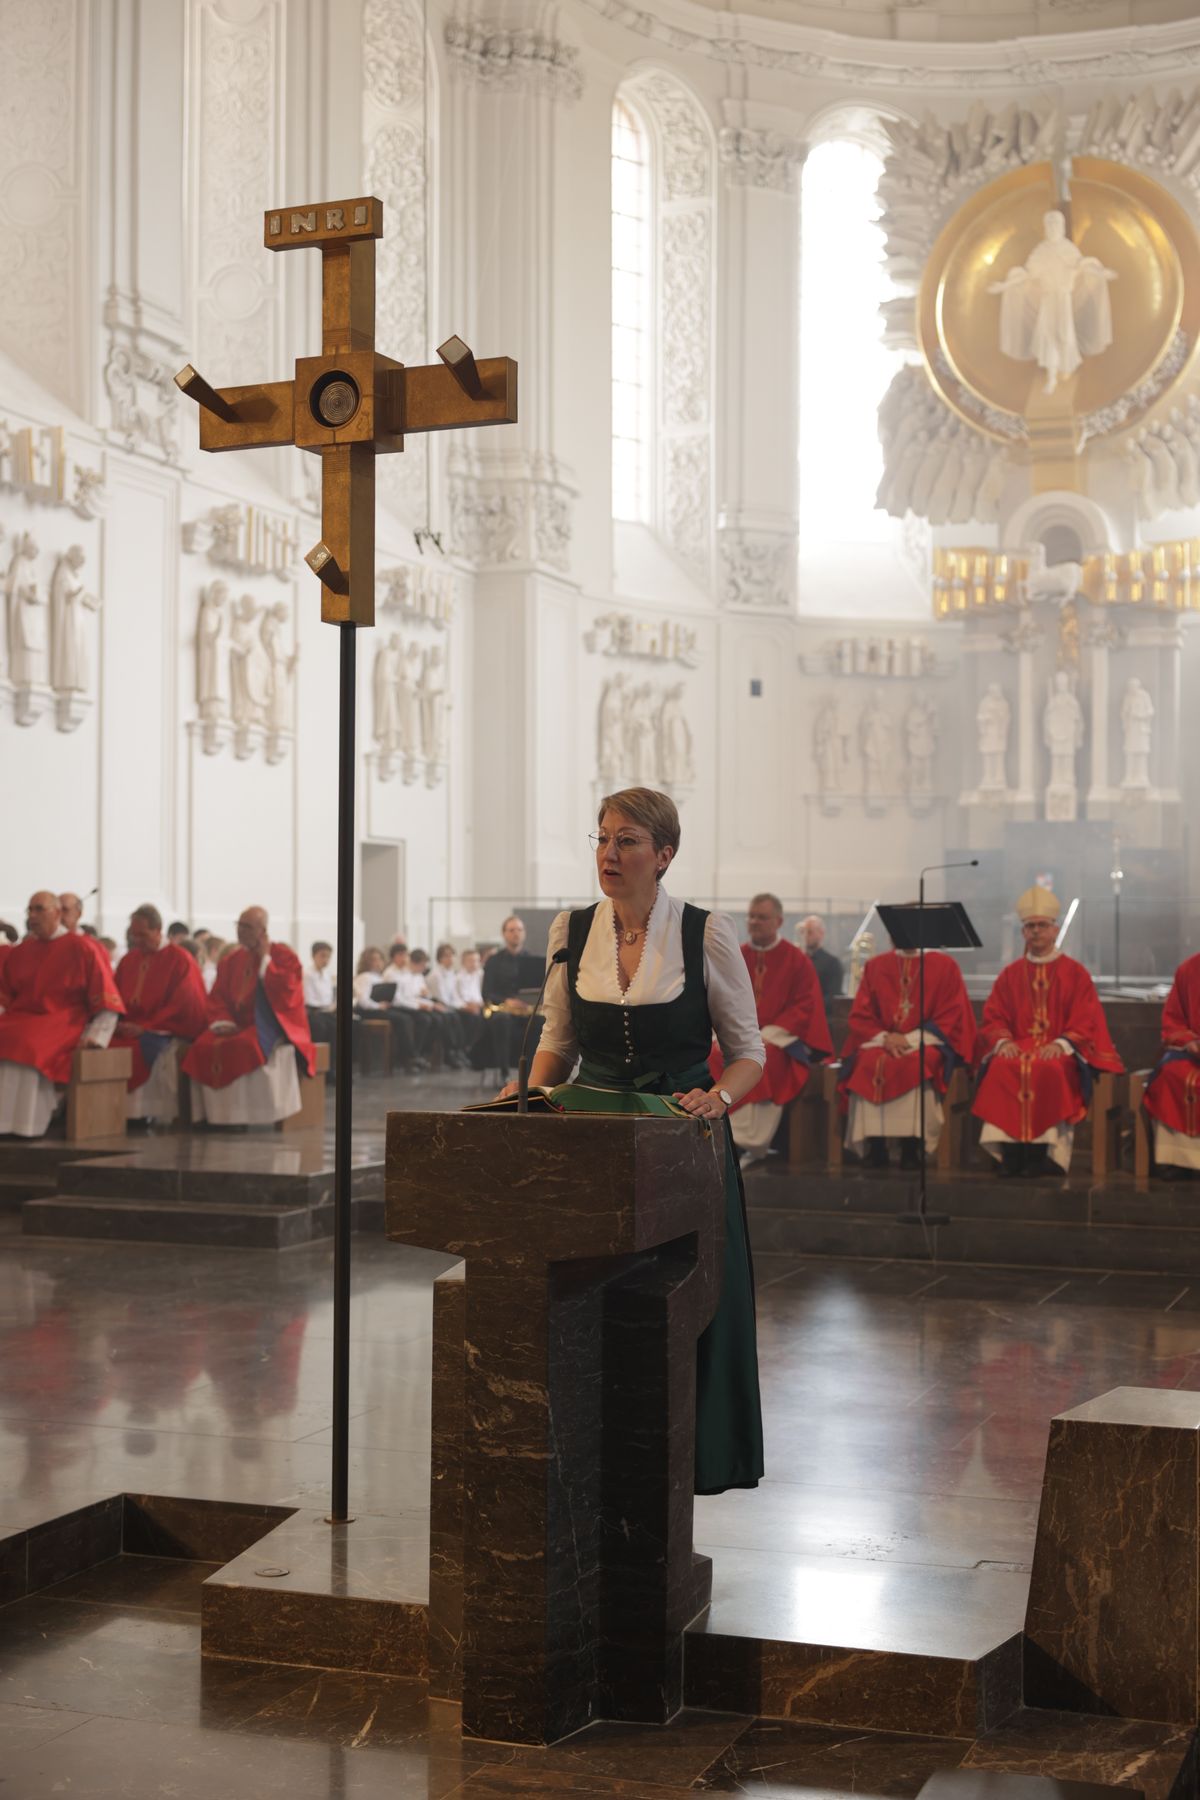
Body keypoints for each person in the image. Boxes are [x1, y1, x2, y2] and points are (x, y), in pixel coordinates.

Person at [515, 786, 765, 1495]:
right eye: (602, 838)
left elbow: (749, 1053)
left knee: (676, 1303)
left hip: (681, 1142)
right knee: (592, 1301)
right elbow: (559, 1040)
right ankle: (590, 1459)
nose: (609, 853)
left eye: (626, 840)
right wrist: (527, 1096)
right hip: (592, 1142)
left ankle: (683, 1461)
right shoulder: (571, 930)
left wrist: (717, 1098)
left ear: (664, 855)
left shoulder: (705, 933)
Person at [973, 886, 1123, 1177]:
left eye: (1042, 925)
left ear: (1055, 930)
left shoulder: (1075, 973)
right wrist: (1003, 1041)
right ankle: (1010, 1154)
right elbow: (994, 1015)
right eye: (1030, 926)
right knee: (1003, 1066)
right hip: (1018, 1045)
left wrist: (1063, 1043)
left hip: (1060, 1049)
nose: (1036, 932)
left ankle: (1042, 1155)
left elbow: (1086, 1018)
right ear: (1023, 933)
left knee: (1049, 1067)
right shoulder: (1010, 974)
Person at [839, 918, 976, 1170]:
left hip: (925, 1042)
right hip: (881, 1041)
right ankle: (875, 1146)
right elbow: (861, 1014)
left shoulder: (944, 966)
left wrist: (910, 1039)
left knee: (915, 1064)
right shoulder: (876, 965)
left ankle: (911, 1147)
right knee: (868, 1063)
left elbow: (951, 1013)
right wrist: (885, 1038)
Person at [711, 892, 832, 1167]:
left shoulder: (796, 959)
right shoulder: (736, 955)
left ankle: (747, 1143)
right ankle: (718, 1134)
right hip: (734, 1035)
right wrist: (721, 1033)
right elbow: (718, 997)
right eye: (751, 916)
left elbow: (804, 1006)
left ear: (778, 921)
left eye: (762, 917)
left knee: (763, 1060)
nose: (755, 922)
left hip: (781, 1039)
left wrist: (763, 1036)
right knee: (712, 1055)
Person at [0, 891, 125, 1137]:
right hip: (22, 1018)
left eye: (39, 909)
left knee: (26, 1043)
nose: (32, 915)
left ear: (57, 913)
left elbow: (105, 995)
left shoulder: (82, 947)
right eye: (30, 910)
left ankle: (25, 1124)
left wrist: (98, 1035)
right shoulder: (22, 951)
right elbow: (6, 994)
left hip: (64, 1019)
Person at [181, 906, 315, 1125]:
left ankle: (242, 1116)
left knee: (244, 1046)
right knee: (202, 1046)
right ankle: (215, 1115)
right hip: (233, 1024)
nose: (241, 931)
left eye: (247, 927)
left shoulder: (283, 956)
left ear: (263, 931)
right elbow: (217, 996)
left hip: (266, 1023)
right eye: (239, 925)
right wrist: (223, 1021)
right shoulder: (231, 960)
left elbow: (287, 992)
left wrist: (265, 960)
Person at [112, 903, 209, 1123]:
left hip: (162, 1029)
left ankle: (138, 1113)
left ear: (158, 930)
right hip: (130, 1027)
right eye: (133, 935)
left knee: (134, 1049)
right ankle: (113, 1111)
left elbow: (183, 1003)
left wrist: (146, 1027)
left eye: (142, 935)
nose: (137, 940)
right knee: (106, 1046)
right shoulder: (129, 960)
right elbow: (116, 997)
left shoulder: (180, 959)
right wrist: (118, 1022)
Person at [1144, 954, 1200, 1180]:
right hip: (1194, 1053)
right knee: (1171, 1075)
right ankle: (1178, 1160)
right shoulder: (1189, 969)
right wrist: (1189, 1041)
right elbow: (1173, 1019)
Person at [472, 915, 544, 1076]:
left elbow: (539, 989)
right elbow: (486, 992)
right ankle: (504, 1071)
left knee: (541, 1022)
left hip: (526, 1009)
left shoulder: (533, 961)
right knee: (501, 1020)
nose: (516, 933)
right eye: (511, 930)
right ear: (504, 934)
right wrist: (506, 1001)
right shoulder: (493, 961)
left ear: (524, 933)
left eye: (519, 930)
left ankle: (531, 1074)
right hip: (503, 1010)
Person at [354, 945, 421, 1071]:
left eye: (380, 959)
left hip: (380, 1008)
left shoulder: (379, 977)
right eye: (374, 960)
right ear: (367, 962)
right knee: (403, 1019)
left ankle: (407, 1055)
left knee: (408, 1017)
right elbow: (363, 1001)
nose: (378, 962)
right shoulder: (365, 977)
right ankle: (409, 1057)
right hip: (368, 1011)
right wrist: (379, 1005)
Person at [797, 914, 843, 1007]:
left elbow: (832, 996)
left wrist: (808, 1005)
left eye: (809, 932)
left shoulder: (832, 963)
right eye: (803, 932)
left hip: (819, 1011)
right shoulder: (797, 960)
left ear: (821, 934)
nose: (805, 936)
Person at [304, 940, 338, 1062]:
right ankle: (319, 1064)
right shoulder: (307, 974)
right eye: (322, 956)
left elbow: (329, 997)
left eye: (328, 956)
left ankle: (333, 1064)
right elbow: (308, 999)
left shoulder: (327, 974)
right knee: (321, 1027)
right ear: (313, 956)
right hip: (313, 1012)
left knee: (339, 1026)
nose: (326, 960)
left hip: (326, 1011)